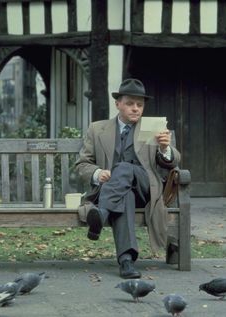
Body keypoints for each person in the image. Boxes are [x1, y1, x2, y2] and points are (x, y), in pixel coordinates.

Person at [75, 78, 181, 278]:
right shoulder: (97, 129)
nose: (135, 109)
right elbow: (83, 164)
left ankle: (102, 213)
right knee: (124, 198)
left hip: (145, 188)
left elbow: (173, 161)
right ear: (118, 104)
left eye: (139, 105)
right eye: (130, 104)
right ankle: (126, 261)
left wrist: (165, 148)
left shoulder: (154, 127)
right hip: (116, 192)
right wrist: (98, 173)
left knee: (124, 167)